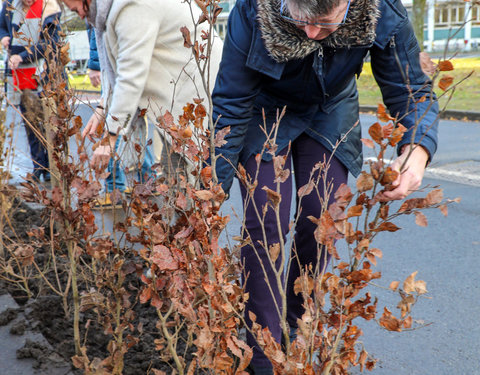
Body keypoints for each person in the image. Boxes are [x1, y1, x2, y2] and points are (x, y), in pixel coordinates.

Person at [211, 0, 439, 373]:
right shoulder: (252, 10)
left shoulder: (383, 12)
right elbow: (232, 101)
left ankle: (299, 337)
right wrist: (210, 189)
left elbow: (411, 91)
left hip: (330, 109)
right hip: (264, 109)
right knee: (265, 221)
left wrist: (417, 149)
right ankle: (263, 356)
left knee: (321, 218)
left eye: (325, 23)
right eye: (299, 20)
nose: (312, 33)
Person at [61, 0, 223, 195]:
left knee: (190, 181)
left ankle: (198, 217)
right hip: (183, 96)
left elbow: (131, 76)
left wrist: (111, 138)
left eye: (75, 8)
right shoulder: (113, 10)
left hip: (197, 96)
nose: (79, 15)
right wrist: (103, 107)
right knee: (177, 176)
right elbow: (119, 70)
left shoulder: (131, 7)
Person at [0, 0, 62, 182]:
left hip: (42, 73)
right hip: (19, 75)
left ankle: (51, 165)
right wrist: (3, 36)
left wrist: (23, 56)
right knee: (30, 123)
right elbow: (2, 27)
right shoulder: (10, 5)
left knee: (48, 122)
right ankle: (38, 166)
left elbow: (51, 42)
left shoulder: (49, 7)